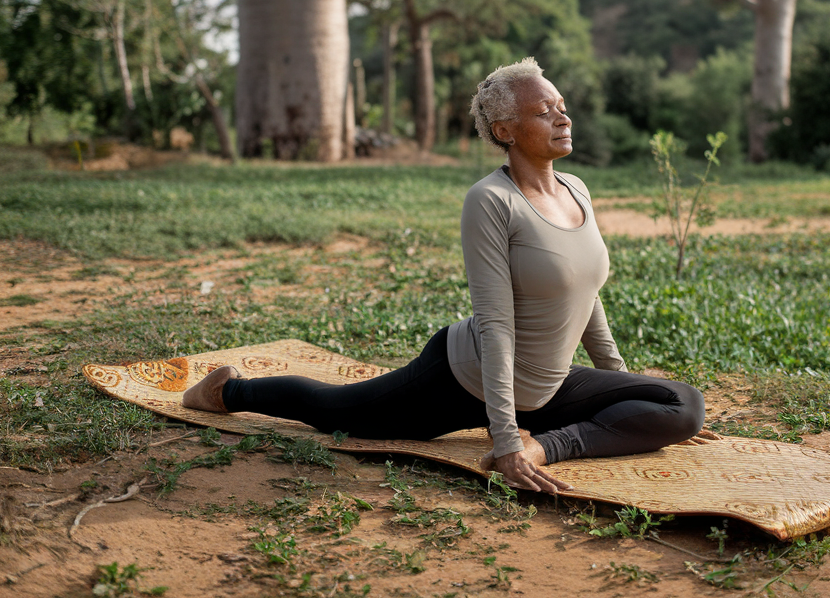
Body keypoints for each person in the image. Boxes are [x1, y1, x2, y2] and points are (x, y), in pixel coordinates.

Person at [183, 58, 710, 493]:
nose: (563, 119)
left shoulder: (576, 189)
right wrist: (504, 439)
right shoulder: (490, 200)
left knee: (683, 405)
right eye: (544, 111)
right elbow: (496, 325)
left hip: (547, 386)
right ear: (505, 130)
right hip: (467, 377)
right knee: (337, 411)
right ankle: (231, 391)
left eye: (562, 109)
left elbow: (585, 291)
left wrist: (619, 385)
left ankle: (544, 445)